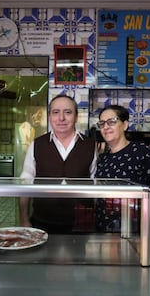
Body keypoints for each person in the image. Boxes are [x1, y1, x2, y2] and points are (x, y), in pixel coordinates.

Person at [19, 94, 97, 233]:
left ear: (76, 117)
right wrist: (24, 219)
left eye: (67, 112)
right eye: (56, 112)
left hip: (80, 225)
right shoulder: (37, 144)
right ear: (50, 117)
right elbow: (25, 184)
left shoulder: (90, 145)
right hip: (42, 221)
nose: (61, 118)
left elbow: (95, 184)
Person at [95, 105, 150, 232]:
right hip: (105, 231)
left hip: (136, 231)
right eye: (102, 123)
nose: (106, 127)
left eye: (111, 122)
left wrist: (143, 225)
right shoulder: (103, 159)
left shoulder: (143, 152)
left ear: (125, 125)